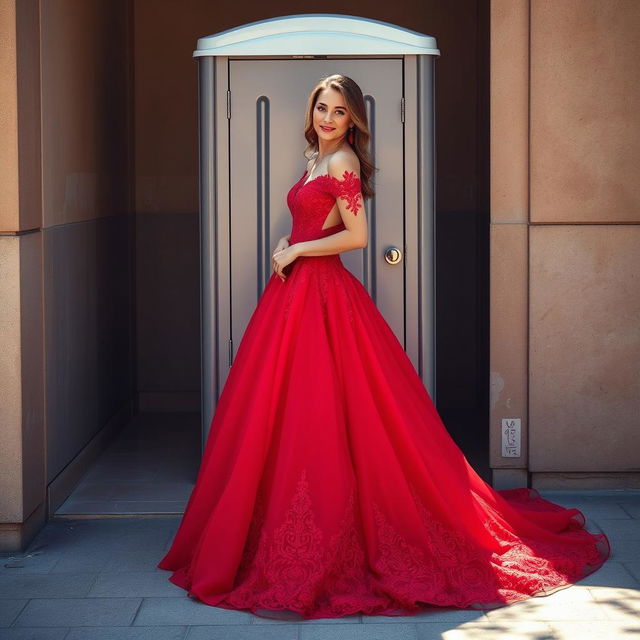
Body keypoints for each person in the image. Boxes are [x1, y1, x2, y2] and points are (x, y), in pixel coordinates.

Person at [158, 73, 610, 621]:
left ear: (353, 121)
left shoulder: (342, 161)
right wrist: (288, 242)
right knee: (290, 409)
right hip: (295, 298)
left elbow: (357, 235)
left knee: (339, 410)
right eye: (322, 108)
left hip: (323, 295)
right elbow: (312, 220)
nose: (328, 119)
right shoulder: (313, 158)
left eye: (339, 112)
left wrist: (298, 254)